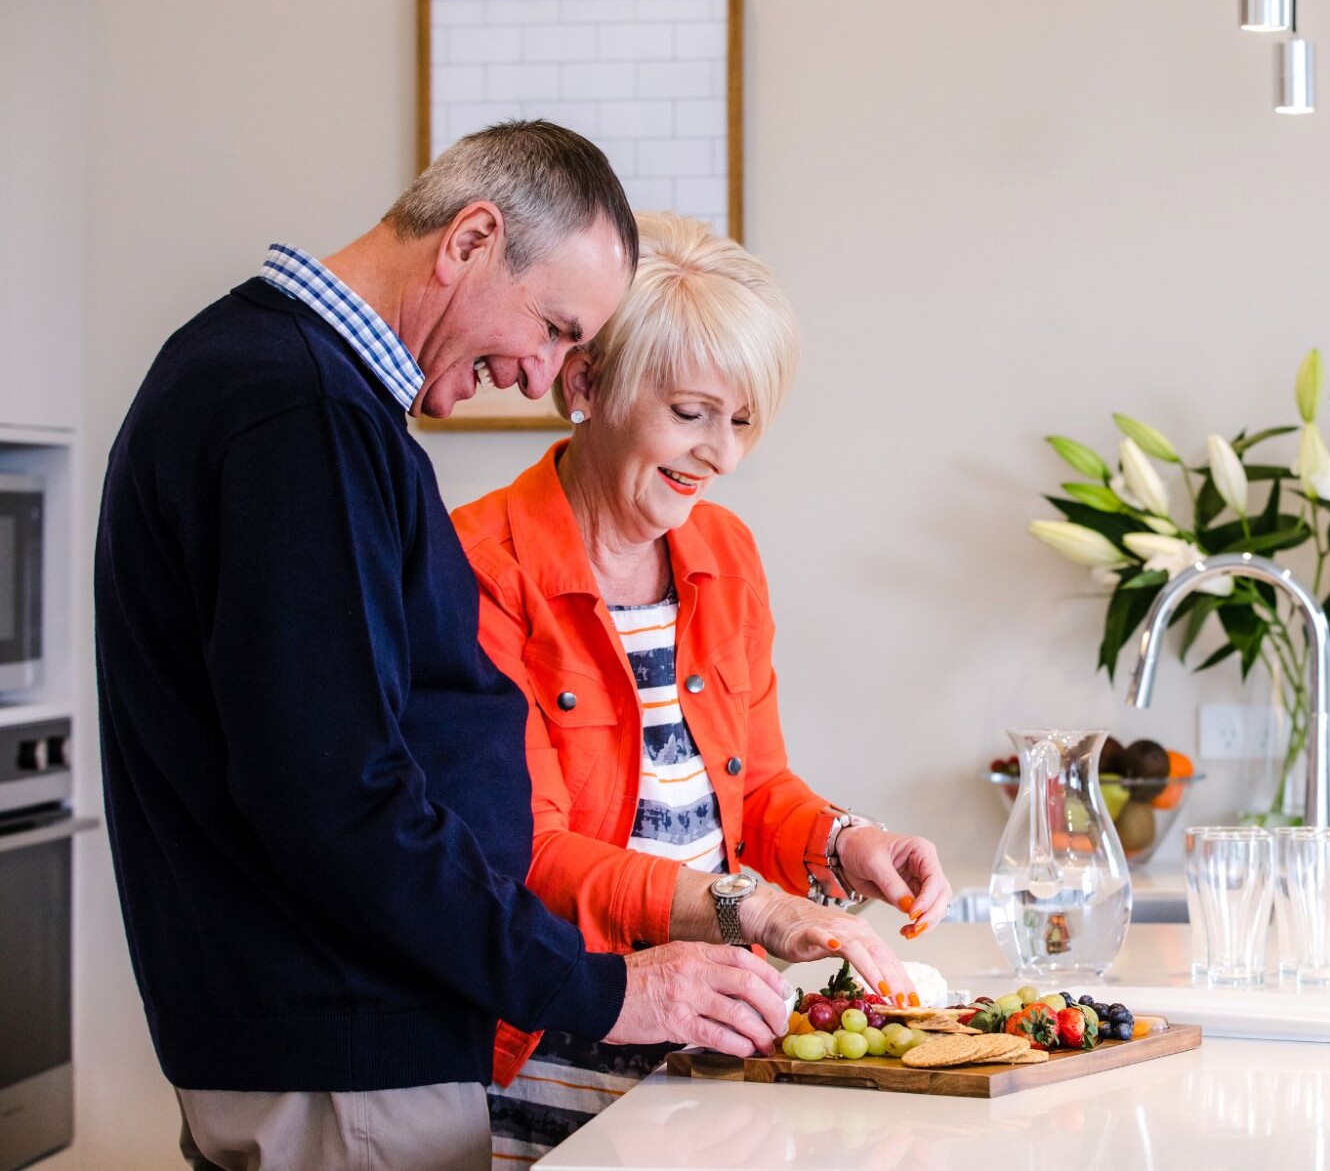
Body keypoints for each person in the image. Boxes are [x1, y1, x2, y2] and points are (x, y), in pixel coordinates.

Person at [96, 123, 793, 1171]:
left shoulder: (286, 387)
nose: (543, 375)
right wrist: (598, 986)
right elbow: (338, 797)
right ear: (469, 241)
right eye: (553, 328)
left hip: (341, 1040)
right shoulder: (299, 413)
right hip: (341, 1052)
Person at [451, 213, 951, 1162]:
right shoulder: (481, 564)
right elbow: (528, 854)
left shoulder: (726, 551)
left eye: (744, 420)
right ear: (586, 384)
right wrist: (742, 904)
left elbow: (756, 789)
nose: (721, 454)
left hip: (714, 1035)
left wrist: (845, 842)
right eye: (691, 413)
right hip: (561, 1043)